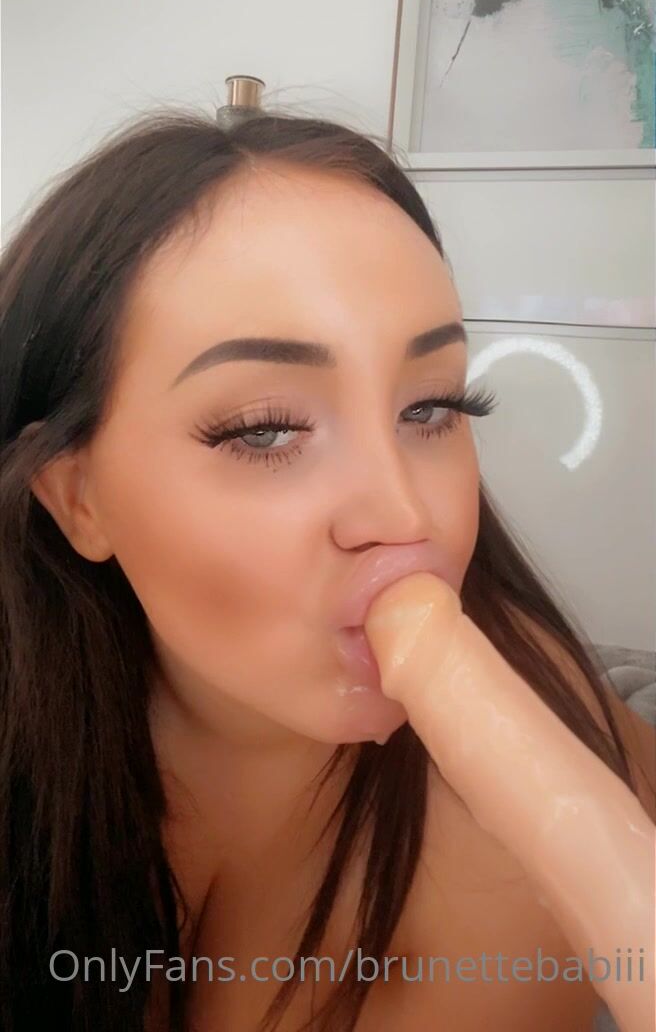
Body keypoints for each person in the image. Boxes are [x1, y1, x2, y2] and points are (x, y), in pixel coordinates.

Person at [1, 109, 653, 1032]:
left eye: (431, 407)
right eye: (266, 429)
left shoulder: (496, 868)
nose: (406, 517)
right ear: (78, 499)